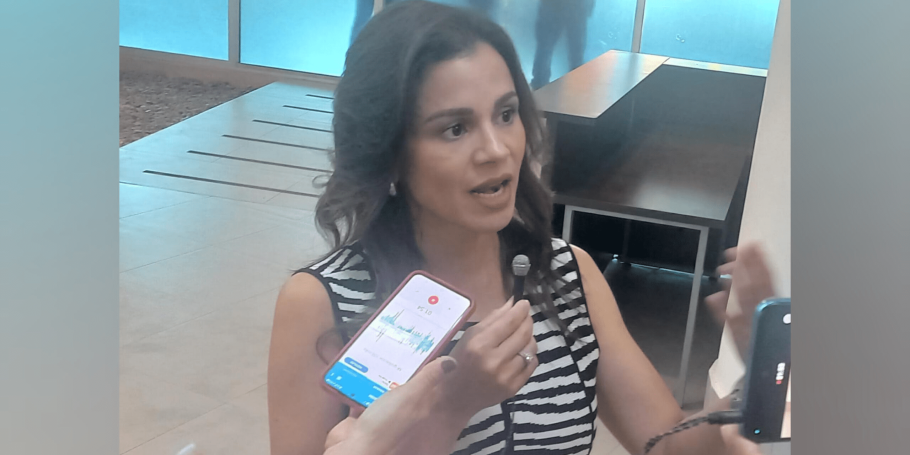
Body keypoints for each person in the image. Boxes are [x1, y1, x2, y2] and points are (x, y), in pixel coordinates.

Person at [268, 2, 775, 454]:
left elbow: (664, 443)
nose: (497, 149)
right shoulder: (323, 301)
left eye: (506, 114)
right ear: (390, 154)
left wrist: (757, 378)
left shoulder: (567, 274)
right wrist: (454, 402)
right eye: (455, 128)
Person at [530, 0, 595, 90]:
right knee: (575, 54)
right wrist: (589, 6)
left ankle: (538, 87)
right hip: (576, 7)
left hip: (553, 6)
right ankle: (577, 88)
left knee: (544, 50)